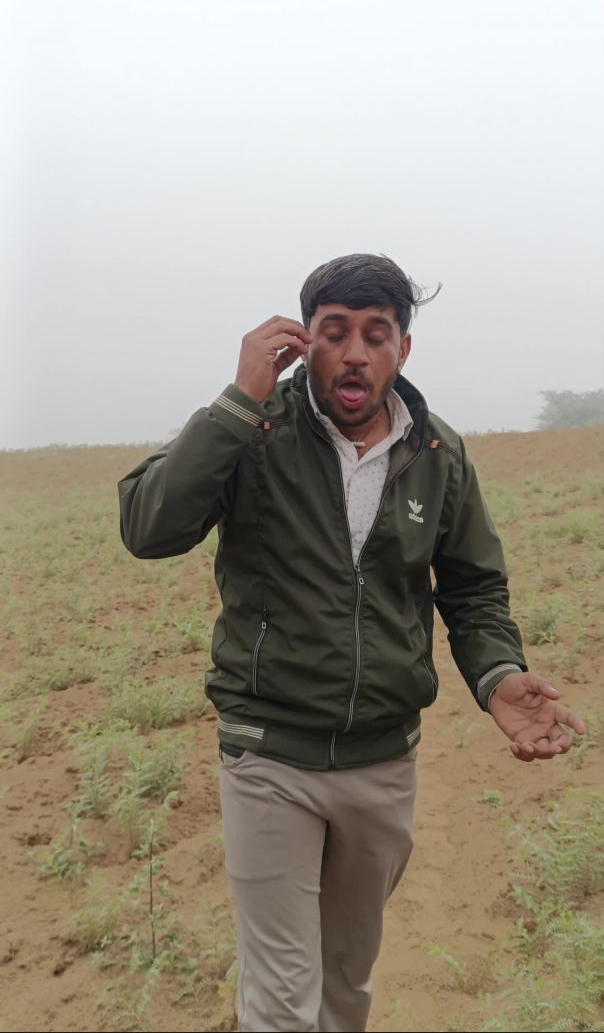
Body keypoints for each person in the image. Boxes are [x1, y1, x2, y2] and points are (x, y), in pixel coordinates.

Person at [117, 253, 586, 1033]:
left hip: (383, 761)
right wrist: (238, 400)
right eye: (335, 333)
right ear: (305, 342)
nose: (356, 353)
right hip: (269, 755)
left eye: (377, 333)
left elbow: (473, 589)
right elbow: (147, 527)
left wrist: (498, 674)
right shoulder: (253, 433)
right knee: (281, 998)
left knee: (346, 982)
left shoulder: (436, 454)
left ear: (404, 347)